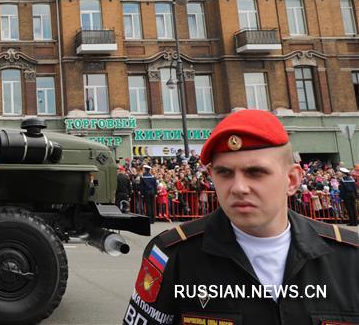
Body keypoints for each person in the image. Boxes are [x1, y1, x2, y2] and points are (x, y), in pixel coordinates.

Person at [122, 109, 358, 325]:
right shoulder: (173, 255)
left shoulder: (349, 257)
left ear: (292, 180)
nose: (238, 188)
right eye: (224, 172)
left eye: (255, 172)